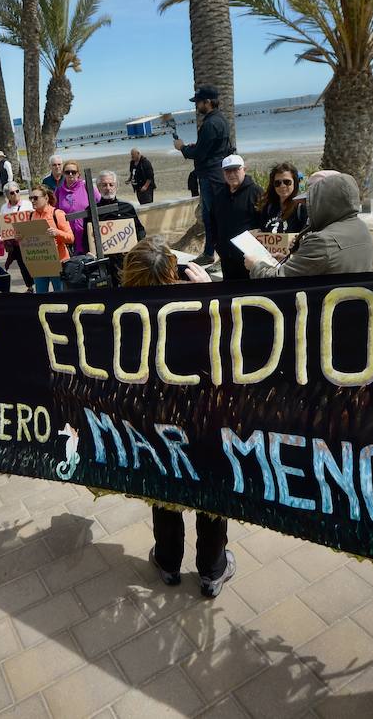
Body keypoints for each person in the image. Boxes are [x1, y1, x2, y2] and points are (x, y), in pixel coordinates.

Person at [120, 237, 234, 597]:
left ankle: (168, 562)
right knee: (209, 487)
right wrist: (211, 294)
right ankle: (212, 570)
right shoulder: (198, 306)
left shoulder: (120, 312)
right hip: (204, 416)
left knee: (165, 484)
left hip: (153, 416)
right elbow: (231, 341)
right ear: (172, 271)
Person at [247, 171, 373, 278]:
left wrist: (256, 265)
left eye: (309, 201)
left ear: (325, 202)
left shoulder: (323, 241)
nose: (306, 206)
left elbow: (279, 280)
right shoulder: (361, 227)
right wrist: (292, 261)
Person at [174, 86, 233, 264]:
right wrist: (196, 146)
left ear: (207, 102)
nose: (196, 105)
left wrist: (182, 148)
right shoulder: (221, 120)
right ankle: (209, 253)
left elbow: (200, 154)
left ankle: (218, 256)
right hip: (217, 173)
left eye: (198, 102)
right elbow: (215, 148)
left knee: (212, 218)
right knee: (211, 217)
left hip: (210, 176)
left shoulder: (210, 124)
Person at [209, 154, 262, 281]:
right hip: (226, 258)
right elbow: (212, 221)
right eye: (227, 171)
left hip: (249, 259)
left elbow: (264, 223)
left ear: (244, 169)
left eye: (235, 169)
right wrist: (217, 245)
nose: (232, 174)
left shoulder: (256, 192)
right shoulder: (219, 194)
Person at [95, 170, 146, 275]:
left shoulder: (127, 208)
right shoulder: (92, 211)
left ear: (116, 186)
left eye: (111, 185)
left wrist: (135, 247)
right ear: (98, 187)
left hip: (127, 260)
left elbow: (140, 230)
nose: (108, 188)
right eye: (104, 185)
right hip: (104, 263)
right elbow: (87, 238)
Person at [26, 185, 72, 294]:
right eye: (30, 198)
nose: (32, 201)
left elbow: (71, 238)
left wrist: (57, 233)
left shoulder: (57, 214)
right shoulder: (31, 216)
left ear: (46, 198)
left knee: (61, 296)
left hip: (59, 263)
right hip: (40, 264)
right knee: (41, 297)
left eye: (35, 198)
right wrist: (21, 238)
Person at [0, 183, 34, 291]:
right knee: (22, 265)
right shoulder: (4, 208)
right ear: (7, 195)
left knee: (32, 263)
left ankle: (37, 283)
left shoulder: (27, 204)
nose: (16, 194)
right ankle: (30, 286)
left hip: (28, 240)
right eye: (12, 193)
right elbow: (3, 225)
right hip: (15, 243)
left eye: (17, 191)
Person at [54, 161, 96, 255]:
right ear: (63, 174)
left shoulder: (86, 186)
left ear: (78, 174)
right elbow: (54, 210)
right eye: (67, 172)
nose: (70, 174)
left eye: (73, 172)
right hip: (68, 235)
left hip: (86, 233)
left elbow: (99, 202)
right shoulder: (59, 190)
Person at [258, 162, 308, 233]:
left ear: (295, 182)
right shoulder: (268, 207)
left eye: (287, 182)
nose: (282, 186)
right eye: (277, 183)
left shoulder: (301, 207)